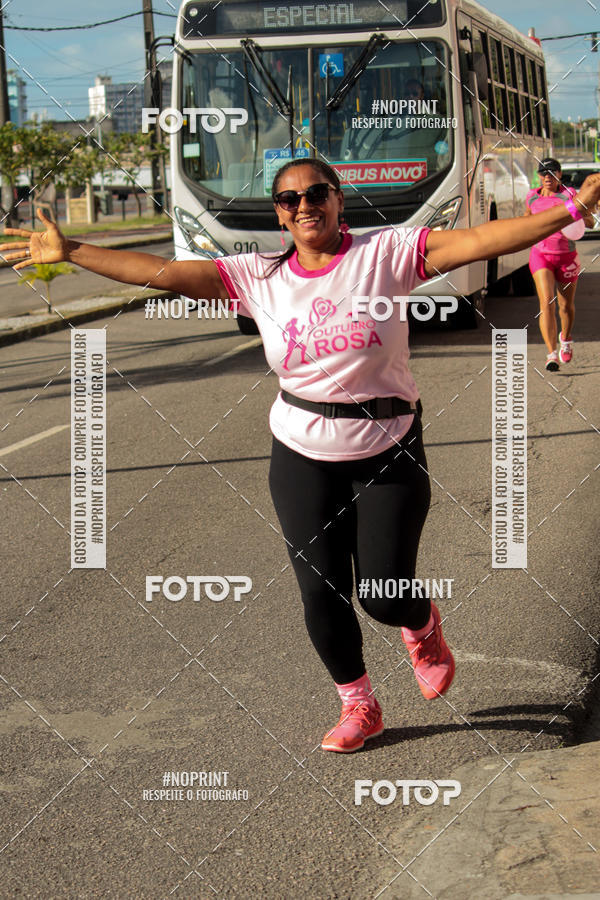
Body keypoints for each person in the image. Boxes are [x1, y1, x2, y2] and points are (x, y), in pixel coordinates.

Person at [2, 160, 599, 753]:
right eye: (289, 200)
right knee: (320, 590)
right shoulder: (258, 276)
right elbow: (161, 272)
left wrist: (569, 212)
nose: (304, 206)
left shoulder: (384, 254)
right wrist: (73, 249)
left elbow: (479, 239)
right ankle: (358, 704)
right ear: (278, 213)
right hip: (300, 451)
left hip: (387, 446)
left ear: (339, 200)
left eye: (317, 193)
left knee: (383, 593)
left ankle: (421, 627)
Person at [525, 157, 595, 371]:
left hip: (566, 256)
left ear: (559, 175)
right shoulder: (531, 198)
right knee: (547, 302)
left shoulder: (570, 195)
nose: (547, 176)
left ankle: (566, 338)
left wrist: (579, 218)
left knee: (565, 307)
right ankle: (551, 354)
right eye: (543, 173)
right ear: (538, 176)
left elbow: (590, 221)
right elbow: (527, 223)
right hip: (541, 255)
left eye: (552, 172)